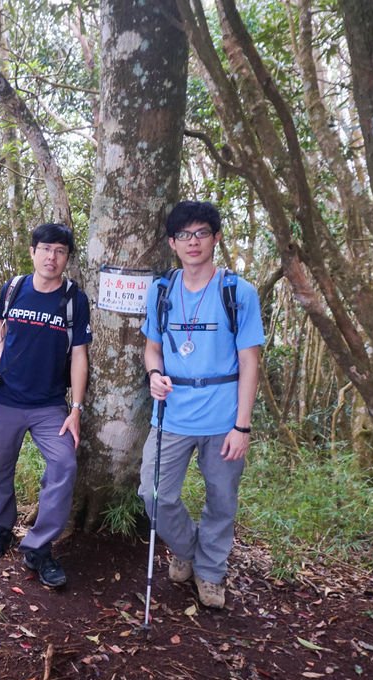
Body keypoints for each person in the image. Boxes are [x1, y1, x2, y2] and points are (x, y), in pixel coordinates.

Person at [139, 200, 264, 608]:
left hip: (223, 417)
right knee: (154, 493)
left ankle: (210, 572)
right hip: (171, 414)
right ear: (172, 243)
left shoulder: (237, 292)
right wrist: (155, 375)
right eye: (184, 235)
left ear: (216, 237)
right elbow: (152, 349)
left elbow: (250, 361)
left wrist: (242, 426)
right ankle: (190, 550)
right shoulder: (161, 291)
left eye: (202, 233)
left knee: (221, 499)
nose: (193, 242)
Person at [0, 222, 92, 588]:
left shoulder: (74, 299)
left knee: (63, 464)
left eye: (60, 251)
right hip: (6, 398)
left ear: (67, 258)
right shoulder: (13, 289)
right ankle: (0, 530)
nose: (51, 257)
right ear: (32, 252)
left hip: (49, 405)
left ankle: (39, 547)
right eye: (45, 249)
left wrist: (76, 409)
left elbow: (79, 357)